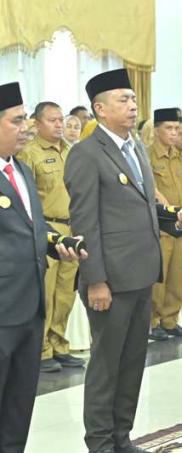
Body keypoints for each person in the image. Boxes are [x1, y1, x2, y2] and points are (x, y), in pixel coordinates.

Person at [64, 69, 182, 453]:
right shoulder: (87, 154)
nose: (133, 105)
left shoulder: (135, 147)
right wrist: (96, 280)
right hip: (110, 280)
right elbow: (85, 222)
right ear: (100, 109)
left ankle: (122, 436)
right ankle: (100, 442)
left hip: (140, 274)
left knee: (133, 362)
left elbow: (145, 207)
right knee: (106, 366)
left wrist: (174, 219)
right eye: (123, 99)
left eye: (133, 99)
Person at [0, 81, 85, 453]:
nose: (27, 128)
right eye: (18, 121)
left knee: (19, 404)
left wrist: (55, 242)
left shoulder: (20, 169)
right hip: (2, 310)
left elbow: (33, 225)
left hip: (30, 307)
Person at [17, 101, 85, 373]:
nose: (59, 125)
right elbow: (28, 199)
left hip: (72, 229)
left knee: (66, 293)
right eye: (52, 120)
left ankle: (59, 343)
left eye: (61, 120)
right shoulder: (29, 154)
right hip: (47, 230)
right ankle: (42, 349)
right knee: (45, 293)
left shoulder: (72, 152)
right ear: (37, 123)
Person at [148, 108, 182, 340]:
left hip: (179, 225)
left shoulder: (179, 157)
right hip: (161, 225)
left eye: (177, 129)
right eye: (169, 128)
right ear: (157, 130)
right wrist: (171, 212)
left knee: (177, 276)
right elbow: (153, 190)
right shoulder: (148, 155)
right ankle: (154, 321)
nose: (174, 133)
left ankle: (170, 320)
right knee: (160, 277)